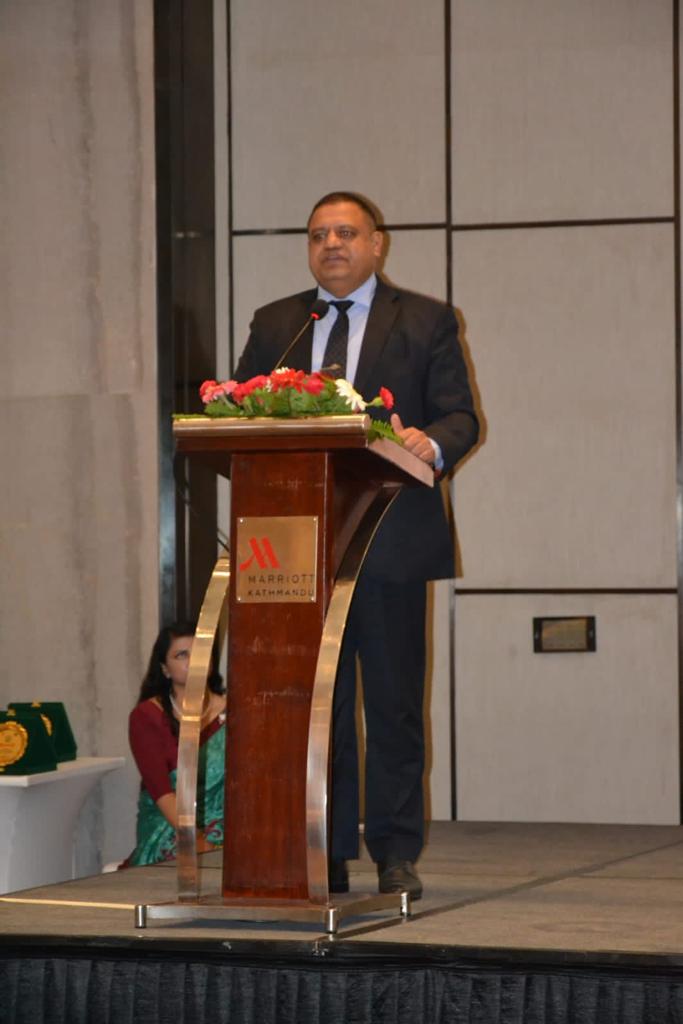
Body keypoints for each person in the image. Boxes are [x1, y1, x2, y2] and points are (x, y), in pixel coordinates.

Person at [235, 191, 479, 899]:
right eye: (318, 235)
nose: (331, 245)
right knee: (317, 707)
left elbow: (460, 416)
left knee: (394, 704)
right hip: (296, 547)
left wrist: (429, 442)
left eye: (345, 233)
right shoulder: (278, 323)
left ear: (377, 244)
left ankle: (395, 852)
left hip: (391, 538)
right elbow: (240, 409)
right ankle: (327, 849)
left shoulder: (426, 320)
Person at [125, 621, 226, 866]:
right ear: (165, 669)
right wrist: (197, 840)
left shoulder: (236, 711)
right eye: (182, 655)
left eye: (200, 652)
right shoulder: (147, 716)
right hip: (170, 825)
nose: (194, 661)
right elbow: (162, 792)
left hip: (227, 823)